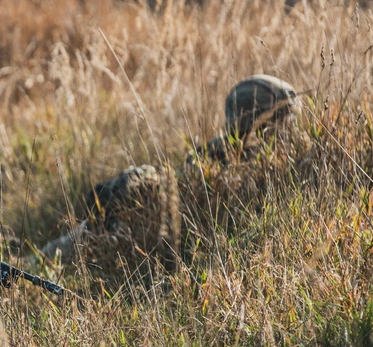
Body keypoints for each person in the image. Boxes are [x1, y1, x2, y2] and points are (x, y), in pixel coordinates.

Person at [39, 74, 300, 284]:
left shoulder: (276, 164)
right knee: (63, 249)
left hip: (141, 231)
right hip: (135, 221)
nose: (289, 129)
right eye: (283, 120)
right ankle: (30, 262)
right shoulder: (216, 160)